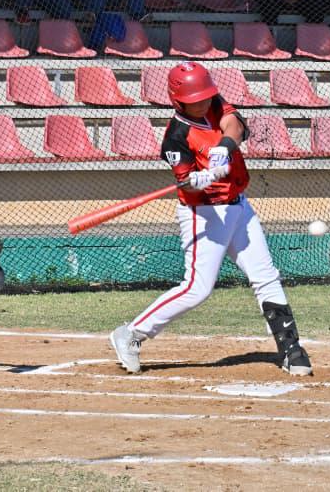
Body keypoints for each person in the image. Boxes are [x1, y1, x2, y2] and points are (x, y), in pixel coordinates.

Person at [109, 62, 313, 377]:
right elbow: (187, 183)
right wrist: (199, 180)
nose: (204, 103)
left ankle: (291, 350)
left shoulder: (214, 104)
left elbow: (235, 125)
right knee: (197, 288)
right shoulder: (176, 138)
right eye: (196, 99)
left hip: (238, 207)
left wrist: (224, 148)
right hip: (202, 213)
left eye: (206, 96)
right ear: (178, 99)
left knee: (265, 275)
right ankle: (132, 333)